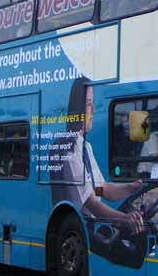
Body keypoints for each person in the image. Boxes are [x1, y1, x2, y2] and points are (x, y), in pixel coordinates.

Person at [53, 77, 145, 235]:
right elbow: (92, 204)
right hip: (77, 228)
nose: (93, 110)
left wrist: (132, 188)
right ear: (78, 109)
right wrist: (125, 219)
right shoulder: (70, 149)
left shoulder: (85, 146)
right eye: (89, 104)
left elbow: (102, 189)